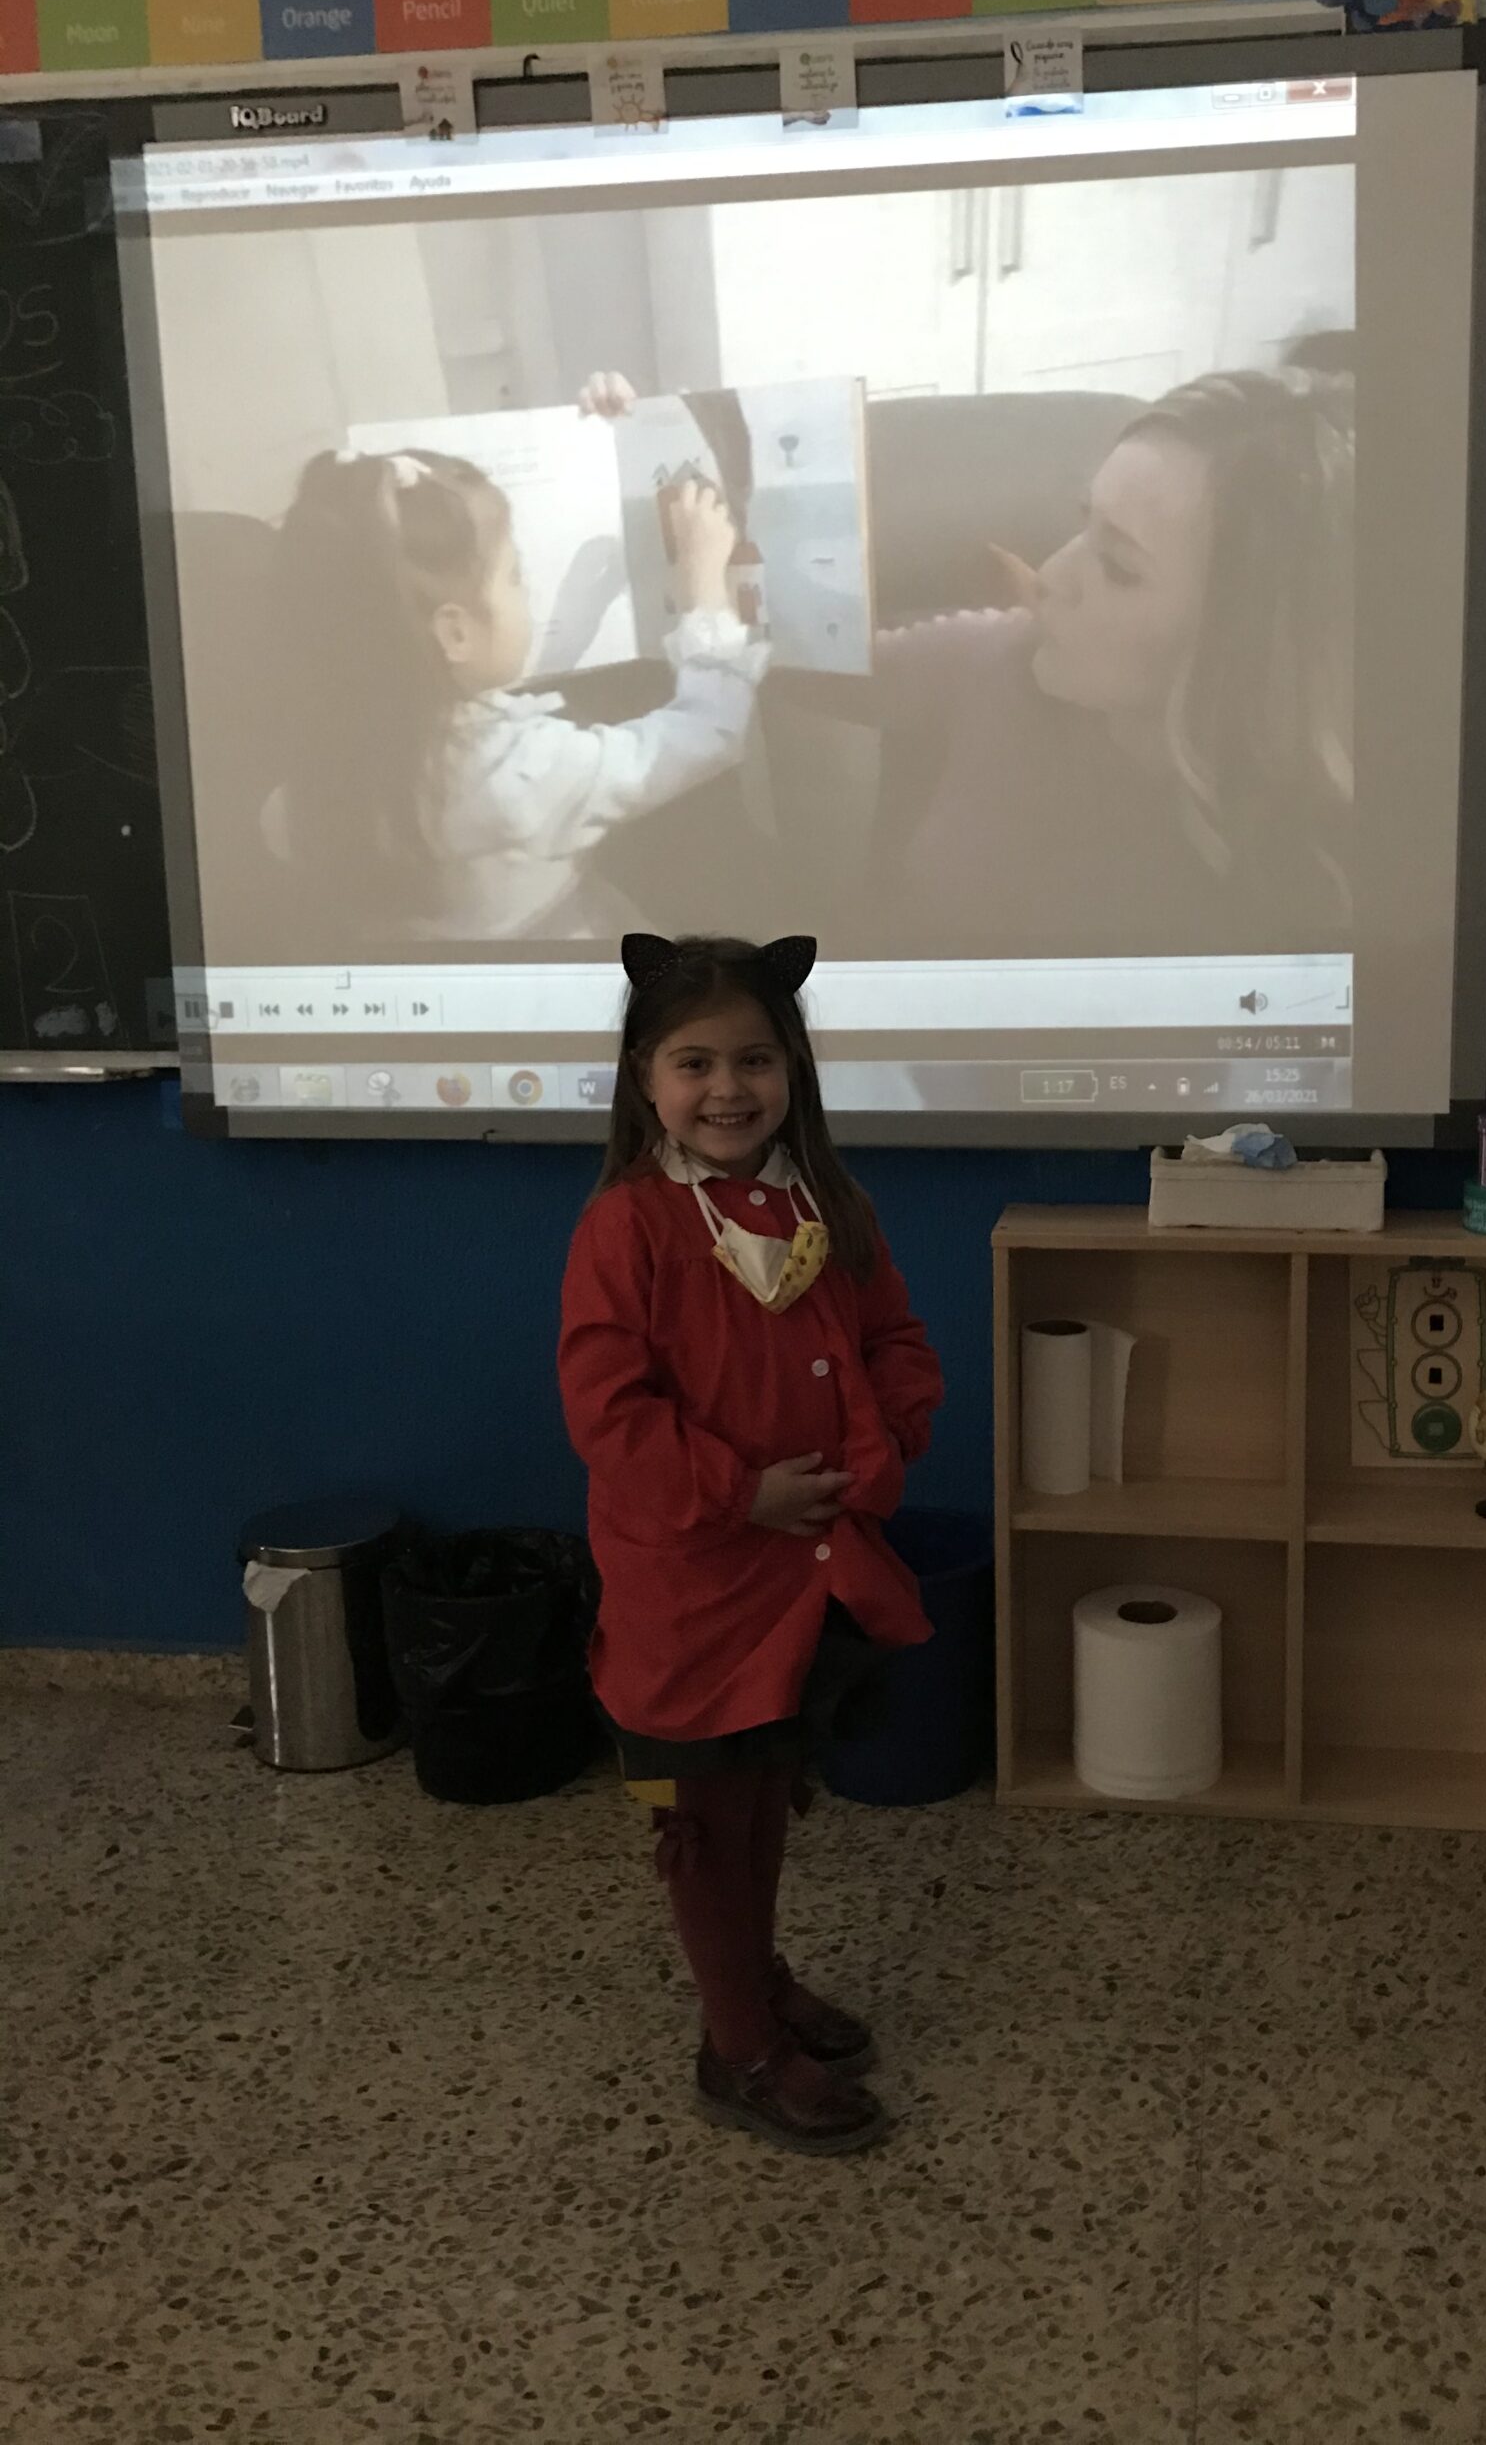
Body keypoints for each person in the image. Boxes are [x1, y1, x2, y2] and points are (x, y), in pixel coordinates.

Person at [558, 932, 942, 2155]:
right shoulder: (628, 1228)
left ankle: (755, 1979)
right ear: (643, 1079)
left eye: (755, 1060)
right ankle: (737, 2046)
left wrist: (868, 1467)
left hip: (806, 1573)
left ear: (794, 1070)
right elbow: (610, 1414)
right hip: (696, 1588)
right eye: (694, 1061)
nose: (728, 1089)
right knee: (708, 1820)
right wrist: (741, 1492)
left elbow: (898, 1347)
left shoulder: (831, 1204)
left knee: (766, 1795)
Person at [860, 365, 1355, 957]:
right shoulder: (999, 659)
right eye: (1083, 522)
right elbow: (800, 663)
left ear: (1246, 648)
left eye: (1118, 568)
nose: (1048, 576)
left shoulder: (1315, 885)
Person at [272, 412, 763, 942]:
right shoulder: (519, 774)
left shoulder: (303, 791)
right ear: (454, 634)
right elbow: (711, 731)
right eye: (514, 575)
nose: (526, 592)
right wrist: (704, 591)